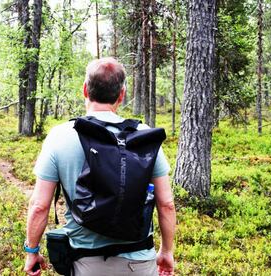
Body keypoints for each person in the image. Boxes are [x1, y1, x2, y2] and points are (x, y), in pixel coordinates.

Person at [24, 57, 176, 276]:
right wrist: (166, 251)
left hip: (85, 262)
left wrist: (32, 251)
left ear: (85, 89)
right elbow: (167, 204)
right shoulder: (144, 136)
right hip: (140, 263)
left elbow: (39, 205)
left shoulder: (60, 136)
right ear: (121, 95)